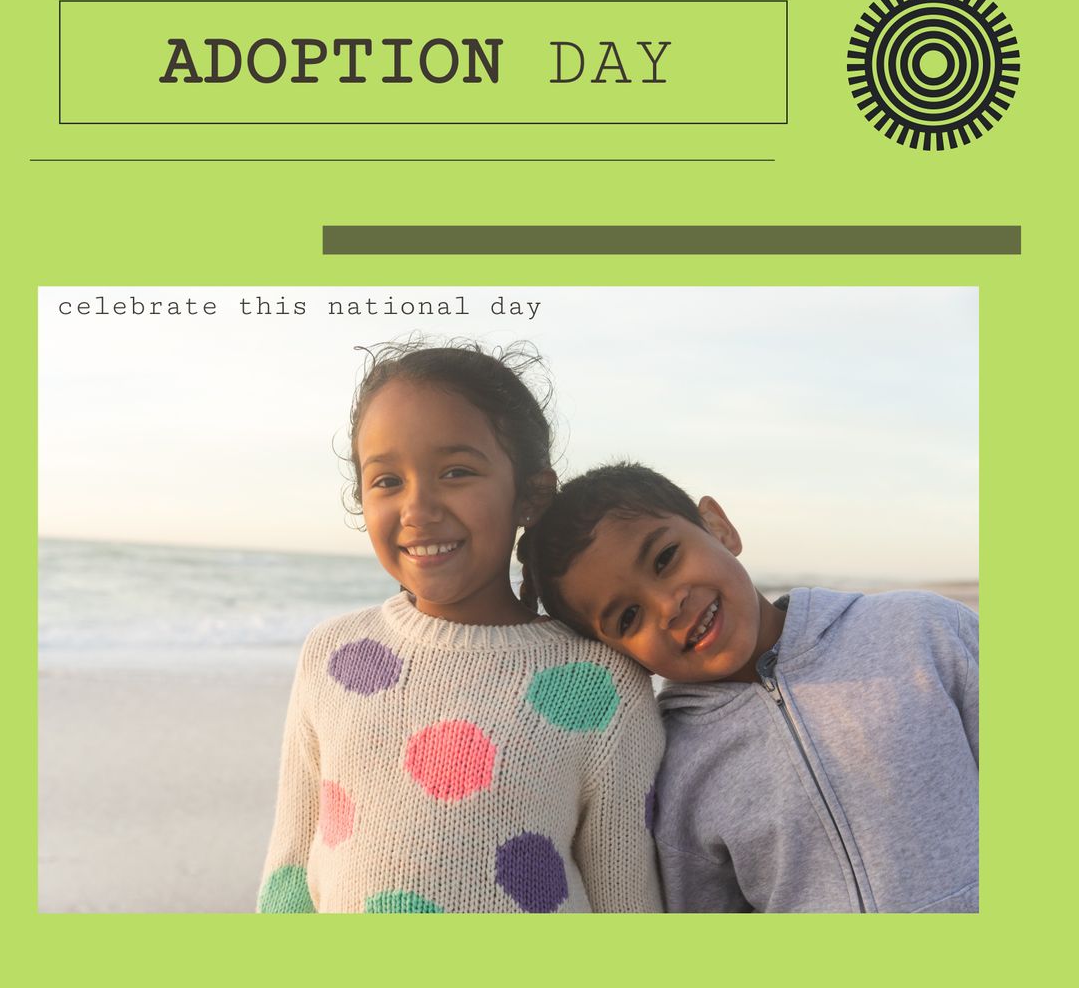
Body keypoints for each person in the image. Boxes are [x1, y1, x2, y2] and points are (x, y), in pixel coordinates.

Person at [258, 344, 663, 913]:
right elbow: (290, 875)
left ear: (530, 494)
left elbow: (627, 904)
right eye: (387, 481)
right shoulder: (336, 655)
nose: (417, 508)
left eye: (456, 472)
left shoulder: (599, 683)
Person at [520, 462, 979, 913]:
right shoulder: (673, 765)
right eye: (628, 617)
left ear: (718, 527)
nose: (667, 606)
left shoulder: (923, 631)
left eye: (664, 559)